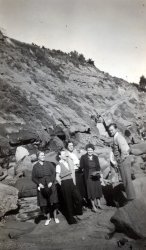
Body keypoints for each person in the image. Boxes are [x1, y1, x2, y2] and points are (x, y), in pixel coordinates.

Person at [108, 123, 136, 202]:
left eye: (112, 130)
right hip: (123, 161)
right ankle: (131, 196)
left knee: (126, 179)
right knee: (125, 179)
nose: (111, 132)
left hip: (123, 161)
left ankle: (131, 198)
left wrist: (119, 161)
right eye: (109, 130)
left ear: (116, 129)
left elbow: (124, 150)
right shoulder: (116, 137)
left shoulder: (118, 137)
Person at [32, 151, 59, 225]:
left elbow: (54, 173)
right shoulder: (35, 166)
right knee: (44, 203)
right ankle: (48, 218)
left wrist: (51, 182)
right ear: (38, 157)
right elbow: (33, 178)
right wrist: (39, 184)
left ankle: (55, 217)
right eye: (41, 155)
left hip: (51, 184)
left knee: (53, 201)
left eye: (44, 155)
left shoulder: (49, 164)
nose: (43, 156)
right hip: (42, 186)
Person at [56, 149, 82, 225]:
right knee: (68, 202)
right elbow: (57, 177)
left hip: (71, 182)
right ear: (60, 156)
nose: (65, 156)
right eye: (63, 154)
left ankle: (76, 213)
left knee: (78, 198)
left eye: (65, 154)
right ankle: (70, 219)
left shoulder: (68, 162)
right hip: (65, 183)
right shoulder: (58, 165)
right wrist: (62, 184)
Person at [80, 143, 103, 212]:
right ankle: (93, 207)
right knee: (91, 191)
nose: (90, 151)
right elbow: (81, 167)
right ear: (86, 150)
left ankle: (99, 204)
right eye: (88, 150)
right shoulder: (83, 157)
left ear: (93, 150)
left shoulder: (95, 157)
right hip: (88, 176)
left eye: (91, 150)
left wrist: (98, 172)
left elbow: (98, 166)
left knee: (97, 189)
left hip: (96, 175)